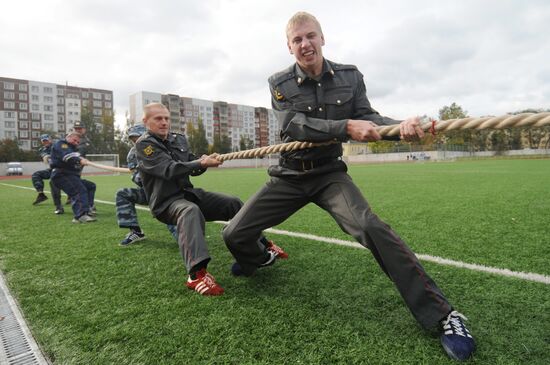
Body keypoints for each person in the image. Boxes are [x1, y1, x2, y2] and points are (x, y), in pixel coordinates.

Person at [222, 11, 475, 361]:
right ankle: (259, 258)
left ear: (322, 38)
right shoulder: (279, 83)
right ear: (289, 47)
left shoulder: (350, 76)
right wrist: (345, 127)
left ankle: (445, 316)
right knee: (233, 235)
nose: (305, 44)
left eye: (310, 36)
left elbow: (368, 118)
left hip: (329, 176)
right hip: (289, 177)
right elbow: (293, 125)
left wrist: (401, 125)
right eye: (297, 40)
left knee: (371, 226)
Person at [136, 103, 286, 296]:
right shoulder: (144, 144)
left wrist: (204, 161)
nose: (164, 122)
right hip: (166, 203)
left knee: (233, 203)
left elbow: (191, 165)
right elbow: (169, 169)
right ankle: (196, 275)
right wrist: (199, 162)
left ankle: (263, 246)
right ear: (146, 121)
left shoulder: (178, 139)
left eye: (166, 118)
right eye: (158, 118)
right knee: (189, 211)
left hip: (188, 194)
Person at [115, 124, 178, 245]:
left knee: (184, 239)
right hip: (149, 192)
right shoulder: (133, 154)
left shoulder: (163, 147)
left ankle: (185, 236)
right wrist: (141, 176)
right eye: (133, 140)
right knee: (122, 194)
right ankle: (136, 232)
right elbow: (136, 177)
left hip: (169, 193)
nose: (136, 141)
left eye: (138, 137)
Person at [50, 131, 97, 223]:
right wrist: (79, 160)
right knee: (79, 190)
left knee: (90, 186)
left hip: (70, 175)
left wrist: (81, 159)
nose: (76, 143)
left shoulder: (73, 149)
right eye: (74, 140)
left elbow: (75, 157)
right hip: (62, 174)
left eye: (78, 142)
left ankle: (88, 208)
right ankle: (80, 216)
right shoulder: (61, 144)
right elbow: (67, 156)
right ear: (68, 137)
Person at [31, 134, 64, 214]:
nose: (45, 142)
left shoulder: (58, 144)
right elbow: (45, 157)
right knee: (36, 175)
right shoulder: (42, 149)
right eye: (44, 141)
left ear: (50, 139)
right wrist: (48, 156)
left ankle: (72, 197)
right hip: (53, 169)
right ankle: (41, 195)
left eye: (46, 140)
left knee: (58, 181)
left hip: (64, 168)